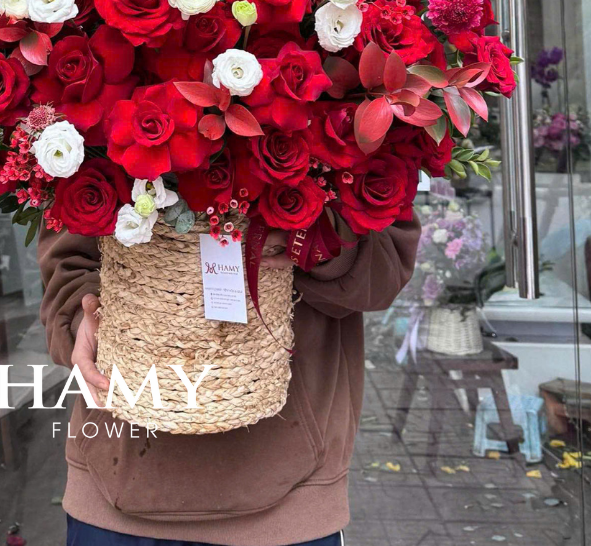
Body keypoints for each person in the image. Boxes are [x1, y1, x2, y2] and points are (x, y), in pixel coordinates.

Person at [39, 216, 420, 546]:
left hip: (288, 501)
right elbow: (67, 256)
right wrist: (82, 316)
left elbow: (383, 271)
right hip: (116, 486)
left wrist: (318, 238)